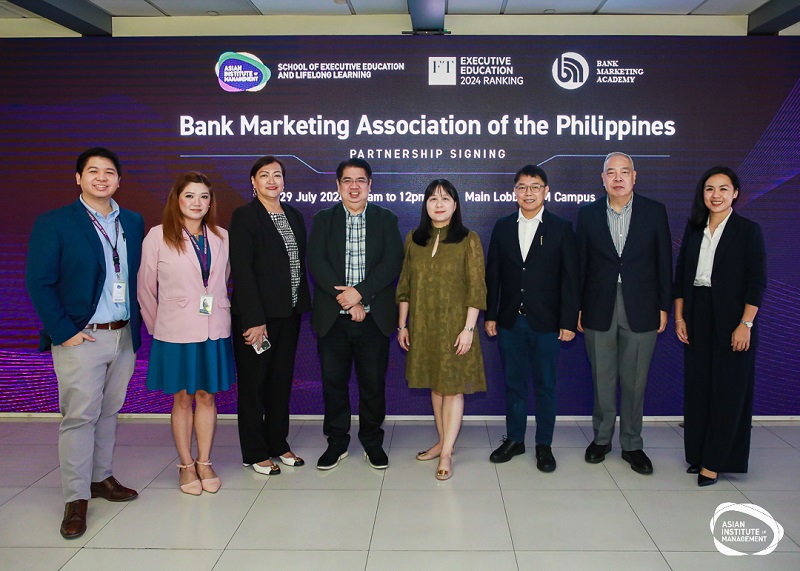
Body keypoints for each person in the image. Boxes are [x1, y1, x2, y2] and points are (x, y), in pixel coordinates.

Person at [26, 148, 143, 539]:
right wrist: (64, 331)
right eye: (93, 171)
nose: (101, 178)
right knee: (79, 417)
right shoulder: (55, 223)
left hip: (123, 334)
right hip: (82, 336)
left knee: (109, 412)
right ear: (78, 178)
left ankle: (101, 478)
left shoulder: (132, 221)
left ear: (119, 180)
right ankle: (75, 499)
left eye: (109, 172)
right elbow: (39, 283)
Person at [138, 172, 234, 495]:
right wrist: (160, 328)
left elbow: (222, 280)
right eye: (190, 196)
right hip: (175, 333)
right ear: (177, 199)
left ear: (211, 201)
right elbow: (145, 290)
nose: (197, 203)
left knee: (207, 396)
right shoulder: (157, 236)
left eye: (204, 197)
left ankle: (204, 461)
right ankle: (185, 464)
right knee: (182, 398)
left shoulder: (221, 237)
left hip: (213, 330)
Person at [576, 152, 672, 475]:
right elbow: (581, 266)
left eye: (624, 172)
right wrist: (578, 307)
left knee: (635, 381)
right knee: (602, 378)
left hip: (642, 306)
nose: (618, 178)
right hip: (598, 305)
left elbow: (663, 262)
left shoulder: (654, 212)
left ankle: (632, 444)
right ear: (602, 178)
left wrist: (663, 305)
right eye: (611, 172)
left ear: (635, 176)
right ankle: (602, 439)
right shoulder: (587, 214)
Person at [308, 158, 404, 471]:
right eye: (347, 180)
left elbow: (391, 263)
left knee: (373, 384)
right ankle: (336, 442)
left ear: (370, 185)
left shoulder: (385, 218)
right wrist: (349, 301)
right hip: (333, 319)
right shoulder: (324, 219)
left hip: (375, 319)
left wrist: (359, 293)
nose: (354, 186)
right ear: (337, 186)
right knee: (333, 383)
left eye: (360, 180)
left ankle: (372, 442)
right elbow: (317, 263)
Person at [673, 166, 766, 486]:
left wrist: (746, 324)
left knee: (728, 391)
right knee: (699, 389)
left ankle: (716, 461)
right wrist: (680, 317)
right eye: (710, 189)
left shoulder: (748, 231)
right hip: (697, 313)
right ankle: (698, 455)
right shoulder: (695, 229)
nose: (716, 195)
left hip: (732, 318)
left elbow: (757, 284)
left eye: (723, 189)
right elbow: (682, 276)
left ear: (735, 193)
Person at [485, 165, 579, 472]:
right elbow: (494, 274)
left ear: (546, 191)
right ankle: (514, 439)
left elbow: (570, 279)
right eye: (522, 187)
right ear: (515, 192)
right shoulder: (502, 226)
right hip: (511, 321)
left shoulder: (561, 228)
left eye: (535, 187)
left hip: (547, 323)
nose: (528, 193)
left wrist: (567, 321)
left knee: (545, 385)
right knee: (513, 384)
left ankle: (544, 445)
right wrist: (492, 314)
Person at [397, 179, 487, 480]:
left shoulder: (468, 239)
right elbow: (405, 286)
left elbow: (477, 289)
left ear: (455, 204)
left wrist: (468, 330)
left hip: (457, 327)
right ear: (425, 205)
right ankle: (441, 441)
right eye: (433, 198)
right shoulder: (414, 239)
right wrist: (402, 325)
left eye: (445, 198)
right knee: (436, 385)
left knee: (453, 388)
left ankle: (447, 451)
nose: (439, 204)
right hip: (423, 326)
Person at [229, 156, 311, 475]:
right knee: (253, 385)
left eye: (277, 175)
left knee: (280, 383)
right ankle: (254, 451)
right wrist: (253, 319)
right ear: (253, 182)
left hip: (288, 315)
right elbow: (243, 270)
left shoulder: (293, 215)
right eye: (264, 175)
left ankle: (279, 443)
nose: (272, 180)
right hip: (257, 319)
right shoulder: (244, 216)